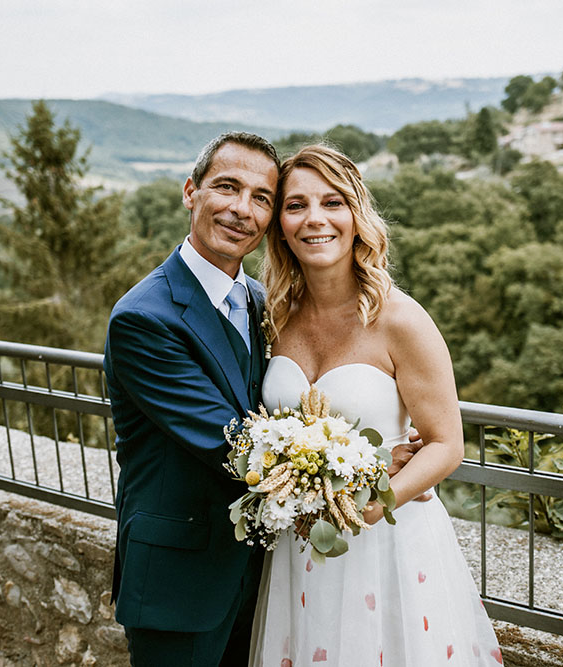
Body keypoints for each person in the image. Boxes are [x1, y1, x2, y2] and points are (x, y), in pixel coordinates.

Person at [104, 133, 426, 666]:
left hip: (267, 571)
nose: (241, 209)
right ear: (191, 191)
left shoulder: (262, 302)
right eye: (227, 187)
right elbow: (232, 441)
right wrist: (363, 470)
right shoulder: (145, 318)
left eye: (261, 198)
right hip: (180, 577)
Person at [249, 145, 503, 666]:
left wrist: (374, 502)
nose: (314, 219)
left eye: (333, 202)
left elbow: (446, 444)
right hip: (300, 545)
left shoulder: (400, 319)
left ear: (356, 215)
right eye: (296, 206)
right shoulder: (273, 315)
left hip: (385, 540)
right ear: (279, 226)